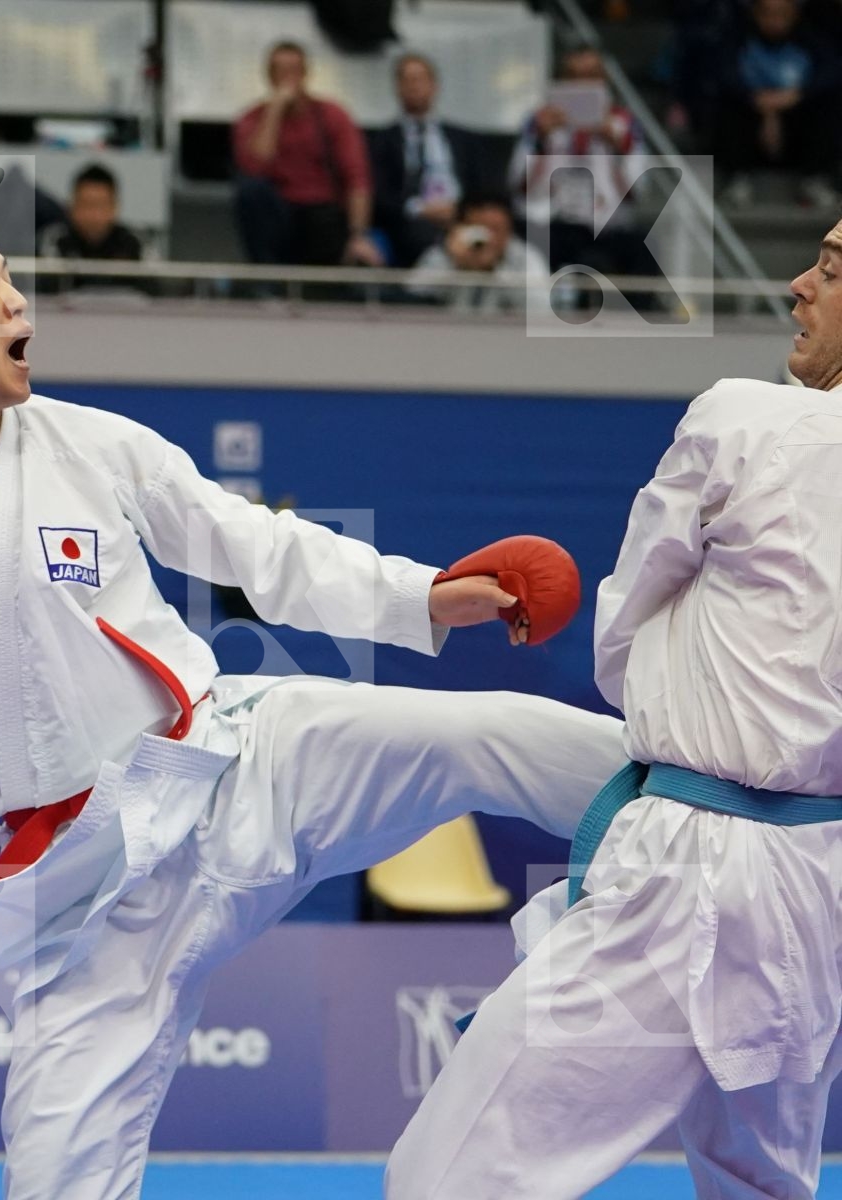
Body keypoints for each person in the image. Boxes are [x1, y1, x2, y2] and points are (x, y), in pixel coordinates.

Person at [0, 193, 628, 1198]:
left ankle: (722, 810)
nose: (16, 299)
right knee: (54, 1181)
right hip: (76, 886)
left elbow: (255, 547)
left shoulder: (86, 444)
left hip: (231, 760)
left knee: (487, 733)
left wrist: (423, 595)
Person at [386, 218, 842, 1199]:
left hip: (694, 860)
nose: (800, 286)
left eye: (833, 270)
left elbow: (622, 636)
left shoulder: (744, 421)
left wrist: (685, 711)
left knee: (444, 1177)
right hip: (820, 887)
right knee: (760, 1185)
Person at [508, 46, 660, 292]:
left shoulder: (624, 122)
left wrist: (618, 147)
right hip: (552, 222)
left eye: (591, 75)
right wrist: (541, 141)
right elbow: (518, 185)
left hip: (606, 226)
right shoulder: (539, 120)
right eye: (573, 76)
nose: (582, 84)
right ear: (562, 80)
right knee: (534, 239)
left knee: (642, 248)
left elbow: (638, 192)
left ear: (604, 80)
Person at [232, 41, 383, 268]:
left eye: (293, 71)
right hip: (279, 214)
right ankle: (267, 284)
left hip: (323, 214)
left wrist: (359, 235)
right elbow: (255, 167)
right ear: (269, 76)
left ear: (306, 74)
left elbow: (357, 176)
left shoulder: (332, 115)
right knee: (250, 191)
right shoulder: (252, 118)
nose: (288, 79)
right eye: (280, 72)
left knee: (324, 223)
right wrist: (275, 109)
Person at [367, 54, 496, 267]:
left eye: (420, 79)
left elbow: (482, 186)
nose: (414, 86)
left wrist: (459, 209)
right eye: (408, 80)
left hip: (461, 216)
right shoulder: (382, 140)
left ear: (434, 85)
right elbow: (379, 194)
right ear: (397, 87)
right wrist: (418, 208)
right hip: (409, 222)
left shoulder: (463, 139)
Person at [713, 0, 839, 209]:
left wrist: (792, 98)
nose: (774, 22)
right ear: (755, 13)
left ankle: (814, 180)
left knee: (827, 106)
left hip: (795, 129)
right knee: (727, 107)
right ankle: (737, 179)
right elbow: (724, 73)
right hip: (752, 124)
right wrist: (759, 102)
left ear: (794, 14)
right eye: (768, 14)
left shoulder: (811, 40)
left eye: (781, 15)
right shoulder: (738, 38)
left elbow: (830, 73)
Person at [405, 195, 551, 314]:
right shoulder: (444, 253)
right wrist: (455, 264)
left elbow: (540, 309)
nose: (487, 236)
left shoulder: (526, 258)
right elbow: (414, 301)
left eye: (495, 229)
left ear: (509, 231)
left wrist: (494, 268)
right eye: (479, 227)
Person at [37, 164, 153, 295]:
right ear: (72, 206)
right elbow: (46, 292)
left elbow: (157, 292)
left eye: (100, 205)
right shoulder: (55, 240)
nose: (93, 215)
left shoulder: (136, 242)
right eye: (86, 205)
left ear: (115, 207)